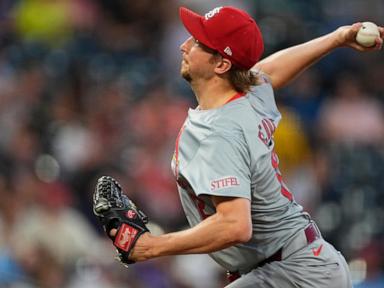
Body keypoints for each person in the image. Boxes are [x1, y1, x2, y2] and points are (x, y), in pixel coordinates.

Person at [110, 6, 383, 288]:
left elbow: (235, 225)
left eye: (198, 43)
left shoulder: (217, 132)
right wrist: (337, 38)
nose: (184, 45)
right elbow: (270, 71)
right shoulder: (247, 94)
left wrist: (151, 246)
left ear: (221, 65)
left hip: (293, 273)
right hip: (301, 265)